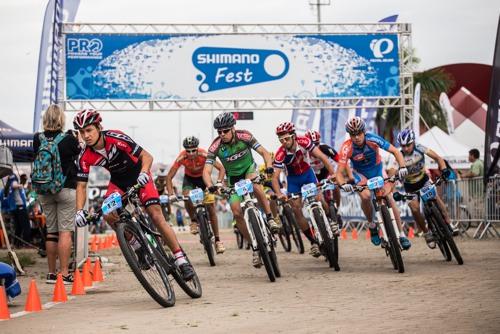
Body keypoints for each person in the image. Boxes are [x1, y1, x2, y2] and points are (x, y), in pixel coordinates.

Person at [72, 109, 194, 280]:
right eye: (81, 132)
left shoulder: (116, 137)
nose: (85, 136)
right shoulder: (84, 156)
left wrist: (144, 173)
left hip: (139, 175)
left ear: (99, 127)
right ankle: (139, 248)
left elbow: (147, 156)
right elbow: (81, 186)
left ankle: (181, 260)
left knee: (156, 215)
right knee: (108, 214)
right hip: (118, 182)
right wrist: (79, 211)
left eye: (89, 130)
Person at [203, 112, 279, 268]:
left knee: (256, 184)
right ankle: (255, 248)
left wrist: (269, 167)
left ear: (233, 128)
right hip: (233, 179)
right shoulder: (215, 146)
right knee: (237, 212)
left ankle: (270, 218)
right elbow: (206, 171)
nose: (222, 134)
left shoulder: (245, 136)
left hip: (248, 170)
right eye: (219, 132)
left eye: (225, 131)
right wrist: (210, 184)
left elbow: (264, 153)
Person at [335, 117, 411, 250]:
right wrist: (343, 184)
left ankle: (401, 234)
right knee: (365, 196)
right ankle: (372, 225)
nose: (357, 137)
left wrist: (403, 166)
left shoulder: (372, 139)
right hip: (361, 174)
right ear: (350, 135)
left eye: (359, 133)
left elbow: (395, 151)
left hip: (377, 170)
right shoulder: (347, 147)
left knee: (389, 197)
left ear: (364, 131)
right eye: (353, 134)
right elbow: (339, 173)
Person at [271, 122, 338, 258]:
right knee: (296, 208)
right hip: (293, 180)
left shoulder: (304, 141)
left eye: (286, 138)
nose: (284, 142)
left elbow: (322, 157)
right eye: (281, 140)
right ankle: (313, 241)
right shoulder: (280, 154)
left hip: (308, 174)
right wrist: (279, 194)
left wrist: (333, 173)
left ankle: (331, 221)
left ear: (294, 136)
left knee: (319, 198)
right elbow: (275, 177)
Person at [33, 104, 81, 284]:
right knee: (65, 232)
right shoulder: (69, 139)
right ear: (61, 119)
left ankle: (51, 274)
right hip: (65, 188)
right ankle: (64, 273)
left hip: (44, 190)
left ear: (45, 119)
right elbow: (79, 153)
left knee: (51, 232)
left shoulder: (37, 139)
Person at [392, 128, 455, 248]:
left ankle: (449, 223)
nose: (405, 148)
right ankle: (427, 233)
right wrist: (394, 190)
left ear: (413, 142)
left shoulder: (420, 148)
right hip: (410, 186)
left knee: (435, 197)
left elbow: (438, 158)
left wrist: (444, 169)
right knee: (414, 209)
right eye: (403, 146)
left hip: (424, 180)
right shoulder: (399, 155)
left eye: (408, 145)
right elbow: (391, 172)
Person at [166, 136, 226, 254]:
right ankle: (193, 220)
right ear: (185, 150)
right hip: (189, 180)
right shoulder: (181, 157)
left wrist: (219, 183)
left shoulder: (204, 154)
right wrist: (171, 194)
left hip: (204, 178)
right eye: (188, 151)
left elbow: (221, 168)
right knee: (186, 196)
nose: (191, 153)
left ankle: (218, 241)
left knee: (211, 208)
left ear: (197, 149)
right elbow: (169, 177)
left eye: (194, 150)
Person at [2, 173, 30, 248]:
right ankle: (26, 243)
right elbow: (14, 184)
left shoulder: (7, 187)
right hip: (20, 208)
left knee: (18, 227)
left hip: (15, 208)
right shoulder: (14, 182)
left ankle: (17, 243)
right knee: (25, 226)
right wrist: (20, 186)